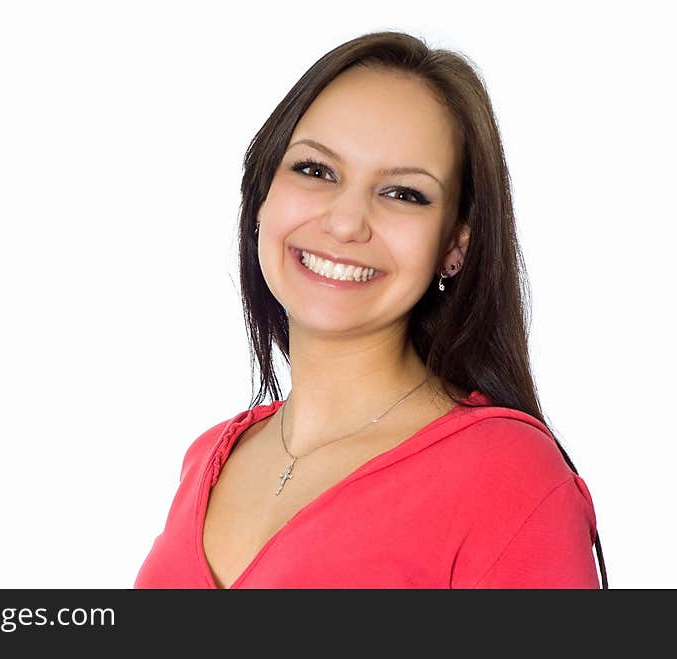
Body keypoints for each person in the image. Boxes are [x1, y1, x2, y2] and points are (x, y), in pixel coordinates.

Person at [133, 30, 608, 589]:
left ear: (455, 244)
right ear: (263, 192)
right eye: (315, 171)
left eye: (404, 194)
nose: (345, 222)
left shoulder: (510, 477)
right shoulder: (209, 457)